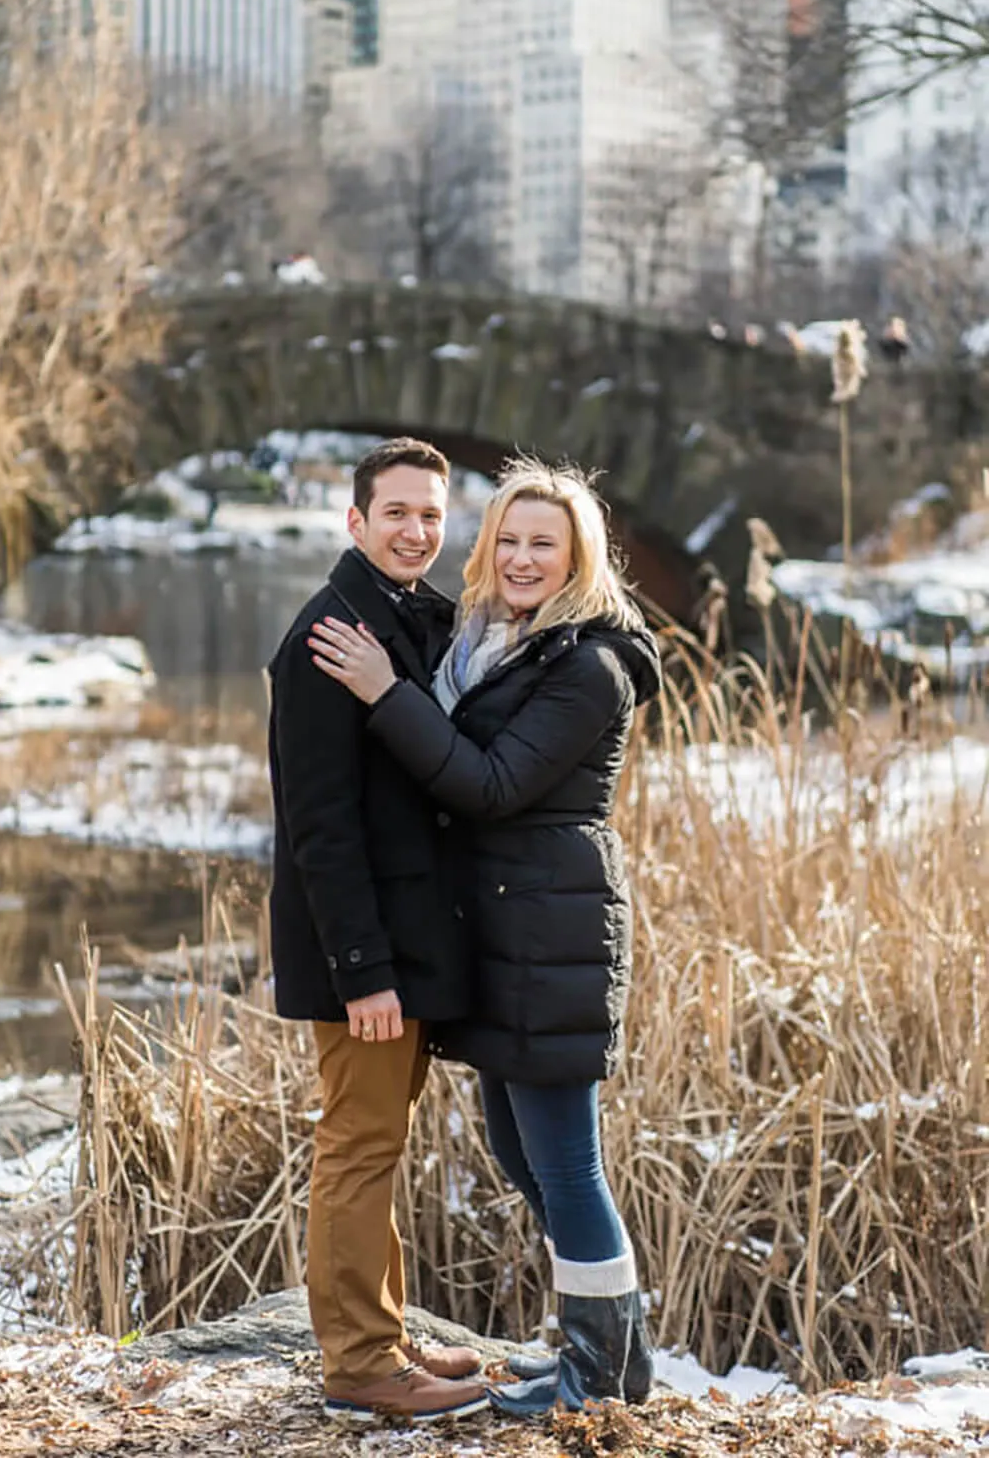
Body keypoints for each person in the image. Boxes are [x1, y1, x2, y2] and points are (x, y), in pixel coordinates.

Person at [309, 457, 662, 1418]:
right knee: (520, 1153)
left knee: (568, 1165)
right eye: (506, 538)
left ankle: (598, 1378)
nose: (519, 556)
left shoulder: (588, 666)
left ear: (578, 557)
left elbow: (491, 784)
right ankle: (612, 1356)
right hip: (501, 938)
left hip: (552, 939)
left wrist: (388, 693)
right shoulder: (495, 644)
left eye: (543, 543)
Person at [268, 437, 489, 1425]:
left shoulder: (411, 618)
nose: (416, 529)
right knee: (356, 1146)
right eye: (396, 511)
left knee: (378, 1141)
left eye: (431, 514)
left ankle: (384, 1334)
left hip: (401, 945)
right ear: (354, 521)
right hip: (360, 956)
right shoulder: (327, 636)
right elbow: (319, 824)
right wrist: (362, 970)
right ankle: (360, 1359)